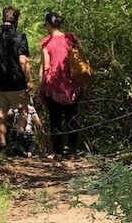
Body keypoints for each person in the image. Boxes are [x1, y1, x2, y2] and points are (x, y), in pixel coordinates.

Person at [0, 6, 34, 155]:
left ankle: (3, 148)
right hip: (16, 82)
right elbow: (23, 61)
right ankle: (18, 143)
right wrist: (29, 80)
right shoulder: (19, 36)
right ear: (16, 20)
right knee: (24, 109)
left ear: (3, 18)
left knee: (1, 115)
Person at [38, 11, 84, 160]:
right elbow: (81, 57)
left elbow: (45, 68)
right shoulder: (72, 38)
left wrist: (40, 89)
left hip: (53, 87)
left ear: (48, 24)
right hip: (73, 85)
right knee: (72, 117)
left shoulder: (46, 43)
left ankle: (57, 153)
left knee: (55, 120)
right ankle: (72, 152)